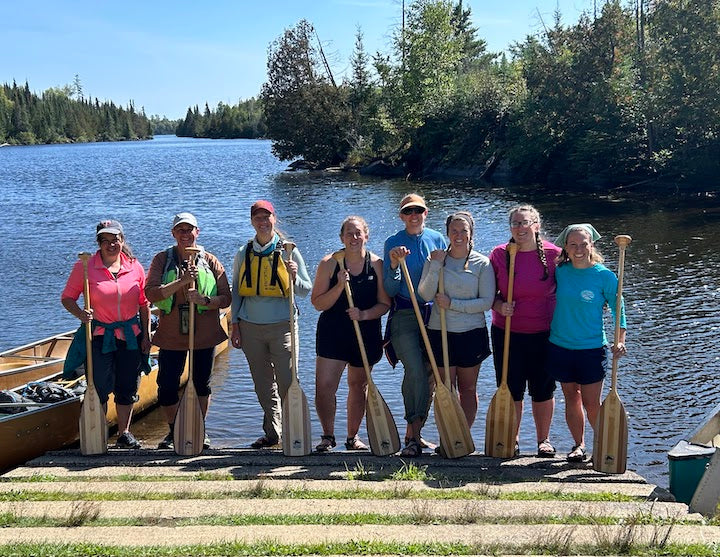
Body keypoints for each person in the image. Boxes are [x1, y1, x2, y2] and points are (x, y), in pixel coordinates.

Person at [144, 212, 232, 450]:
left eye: (189, 230)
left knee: (202, 383)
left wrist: (204, 300)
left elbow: (226, 298)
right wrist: (181, 282)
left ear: (197, 232)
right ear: (173, 233)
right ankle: (174, 430)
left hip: (204, 334)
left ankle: (199, 428)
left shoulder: (211, 261)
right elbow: (150, 293)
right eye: (180, 230)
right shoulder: (162, 260)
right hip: (172, 335)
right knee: (167, 386)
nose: (185, 234)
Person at [61, 219, 151, 449]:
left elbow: (144, 304)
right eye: (106, 241)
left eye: (115, 240)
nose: (111, 245)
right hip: (100, 336)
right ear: (98, 243)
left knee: (127, 386)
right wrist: (81, 314)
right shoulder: (85, 267)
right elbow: (67, 298)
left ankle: (124, 433)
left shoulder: (134, 266)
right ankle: (98, 432)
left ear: (122, 240)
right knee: (99, 386)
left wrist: (147, 336)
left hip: (131, 335)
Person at [230, 200, 312, 449]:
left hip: (282, 327)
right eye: (258, 218)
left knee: (288, 381)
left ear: (275, 219)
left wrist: (294, 275)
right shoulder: (244, 252)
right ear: (252, 221)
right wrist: (235, 325)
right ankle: (273, 433)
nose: (263, 222)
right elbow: (236, 292)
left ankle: (293, 430)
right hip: (250, 328)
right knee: (263, 385)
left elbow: (305, 291)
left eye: (267, 217)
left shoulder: (289, 250)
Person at [548, 223, 627, 463]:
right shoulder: (560, 271)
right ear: (566, 247)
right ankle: (578, 446)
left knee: (592, 402)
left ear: (591, 245)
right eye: (573, 244)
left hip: (591, 347)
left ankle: (603, 447)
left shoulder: (604, 276)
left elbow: (618, 310)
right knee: (571, 397)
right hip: (560, 345)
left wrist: (620, 340)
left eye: (584, 244)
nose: (579, 249)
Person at [311, 216, 391, 452]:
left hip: (365, 333)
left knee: (358, 385)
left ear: (366, 235)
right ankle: (327, 436)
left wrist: (364, 315)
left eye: (358, 233)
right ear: (341, 237)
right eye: (349, 234)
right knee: (325, 387)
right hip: (332, 333)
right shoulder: (329, 263)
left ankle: (352, 437)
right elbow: (318, 303)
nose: (354, 238)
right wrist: (338, 286)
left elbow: (385, 304)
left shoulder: (376, 264)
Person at [489, 205, 561, 458]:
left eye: (525, 223)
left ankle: (544, 440)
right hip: (507, 331)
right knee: (511, 388)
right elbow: (490, 296)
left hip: (545, 333)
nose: (520, 228)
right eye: (515, 224)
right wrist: (499, 305)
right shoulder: (499, 254)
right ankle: (513, 438)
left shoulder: (555, 255)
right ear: (510, 227)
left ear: (537, 226)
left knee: (543, 389)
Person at [383, 193, 447, 457]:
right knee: (415, 373)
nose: (413, 216)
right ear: (401, 216)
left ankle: (415, 434)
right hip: (405, 315)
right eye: (408, 212)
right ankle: (412, 432)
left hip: (433, 314)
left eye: (418, 211)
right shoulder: (393, 243)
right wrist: (396, 265)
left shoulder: (438, 239)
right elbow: (389, 288)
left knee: (432, 374)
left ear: (425, 213)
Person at [418, 211, 495, 429]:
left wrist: (452, 304)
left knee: (468, 388)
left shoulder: (482, 263)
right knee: (446, 387)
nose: (459, 235)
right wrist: (435, 266)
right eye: (454, 231)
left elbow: (486, 302)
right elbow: (424, 294)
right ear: (448, 233)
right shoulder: (436, 260)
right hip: (440, 331)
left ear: (471, 234)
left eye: (464, 231)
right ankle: (448, 435)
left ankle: (464, 434)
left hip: (472, 333)